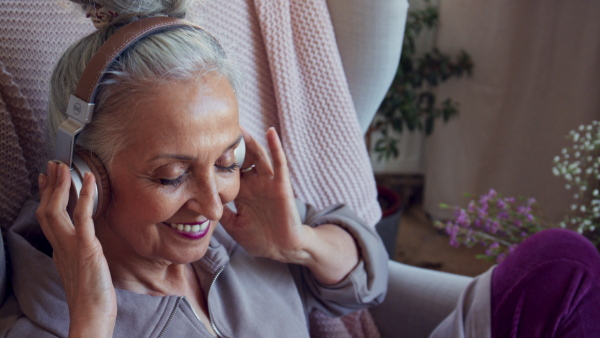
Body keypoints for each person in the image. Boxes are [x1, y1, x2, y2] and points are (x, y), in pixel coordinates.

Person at [0, 1, 388, 337]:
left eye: (225, 162)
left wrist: (298, 243)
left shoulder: (243, 230)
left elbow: (367, 285)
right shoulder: (50, 323)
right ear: (87, 177)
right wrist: (92, 320)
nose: (214, 208)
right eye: (172, 176)